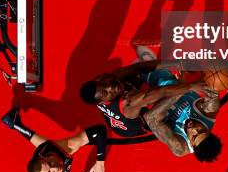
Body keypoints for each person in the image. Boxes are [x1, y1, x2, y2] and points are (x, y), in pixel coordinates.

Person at [79, 59, 210, 138]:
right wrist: (191, 86)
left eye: (105, 84)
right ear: (102, 101)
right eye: (105, 92)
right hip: (134, 126)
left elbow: (138, 68)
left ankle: (149, 78)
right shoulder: (128, 101)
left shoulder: (103, 80)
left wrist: (178, 63)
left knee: (134, 74)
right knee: (167, 95)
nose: (110, 87)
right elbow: (163, 92)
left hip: (122, 107)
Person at [144, 87, 222, 162]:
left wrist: (185, 88)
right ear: (209, 131)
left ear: (192, 145)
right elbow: (212, 90)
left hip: (154, 98)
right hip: (174, 82)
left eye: (194, 136)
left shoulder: (179, 146)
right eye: (201, 130)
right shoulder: (209, 112)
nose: (194, 129)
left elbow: (149, 117)